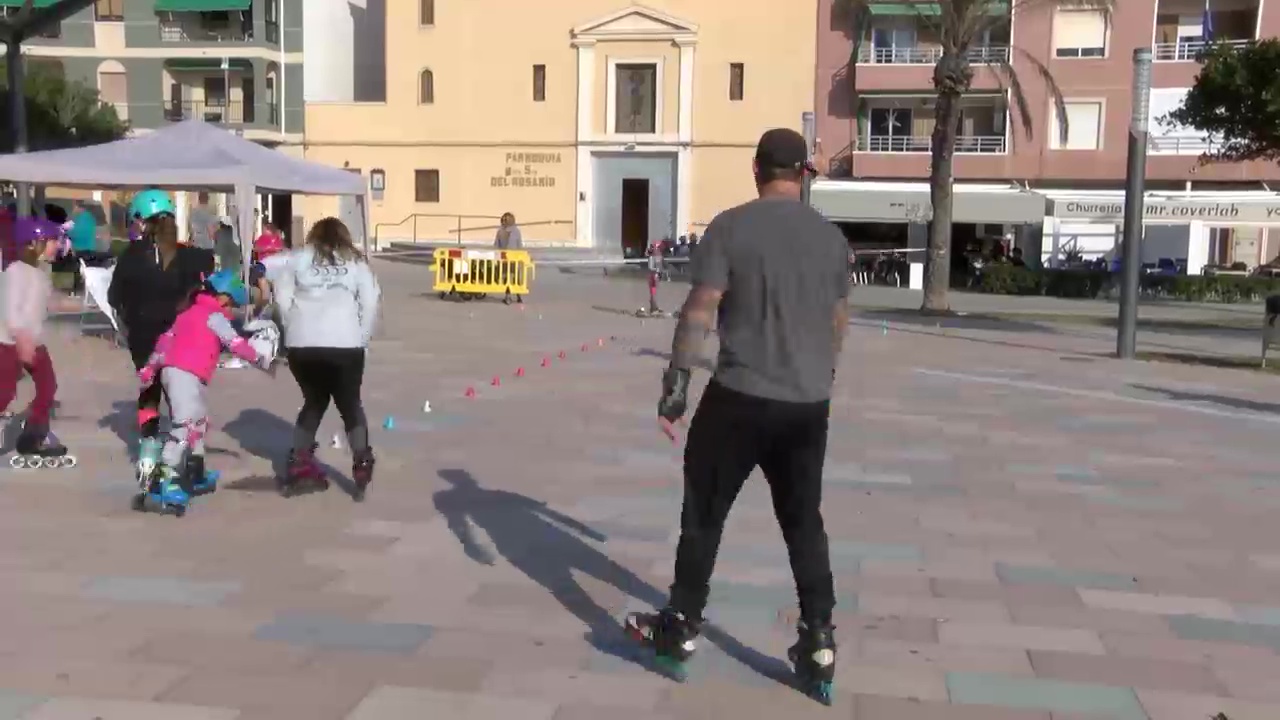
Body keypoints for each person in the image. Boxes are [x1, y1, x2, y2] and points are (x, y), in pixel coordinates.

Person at [625, 128, 849, 705]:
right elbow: (837, 322)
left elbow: (700, 308)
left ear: (756, 169)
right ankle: (820, 642)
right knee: (804, 522)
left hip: (739, 397)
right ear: (803, 173)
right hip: (805, 404)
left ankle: (679, 629)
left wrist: (676, 382)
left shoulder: (730, 226)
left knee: (704, 514)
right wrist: (822, 376)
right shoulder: (829, 239)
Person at [136, 270, 272, 501]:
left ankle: (195, 470)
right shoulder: (213, 317)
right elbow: (235, 343)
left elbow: (165, 341)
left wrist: (150, 367)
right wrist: (259, 357)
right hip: (185, 373)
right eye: (231, 305)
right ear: (222, 297)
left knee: (198, 421)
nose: (231, 312)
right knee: (185, 424)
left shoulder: (188, 312)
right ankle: (164, 480)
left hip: (181, 373)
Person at [108, 189, 216, 472]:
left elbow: (113, 297)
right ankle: (194, 452)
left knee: (150, 392)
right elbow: (206, 280)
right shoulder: (189, 255)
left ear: (142, 221)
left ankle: (148, 449)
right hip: (180, 336)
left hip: (142, 336)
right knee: (182, 395)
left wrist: (128, 320)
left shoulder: (130, 256)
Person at [273, 217, 380, 500]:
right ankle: (362, 461)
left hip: (303, 344)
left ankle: (298, 459)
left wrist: (291, 328)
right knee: (349, 403)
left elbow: (281, 299)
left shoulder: (298, 258)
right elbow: (370, 302)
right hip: (345, 343)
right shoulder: (355, 262)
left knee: (314, 400)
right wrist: (362, 338)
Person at [0, 217, 68, 459]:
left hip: (33, 343)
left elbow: (40, 305)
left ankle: (33, 436)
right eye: (52, 241)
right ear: (33, 243)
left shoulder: (39, 274)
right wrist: (21, 338)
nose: (57, 246)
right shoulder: (15, 272)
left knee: (48, 387)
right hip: (9, 343)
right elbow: (10, 309)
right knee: (4, 392)